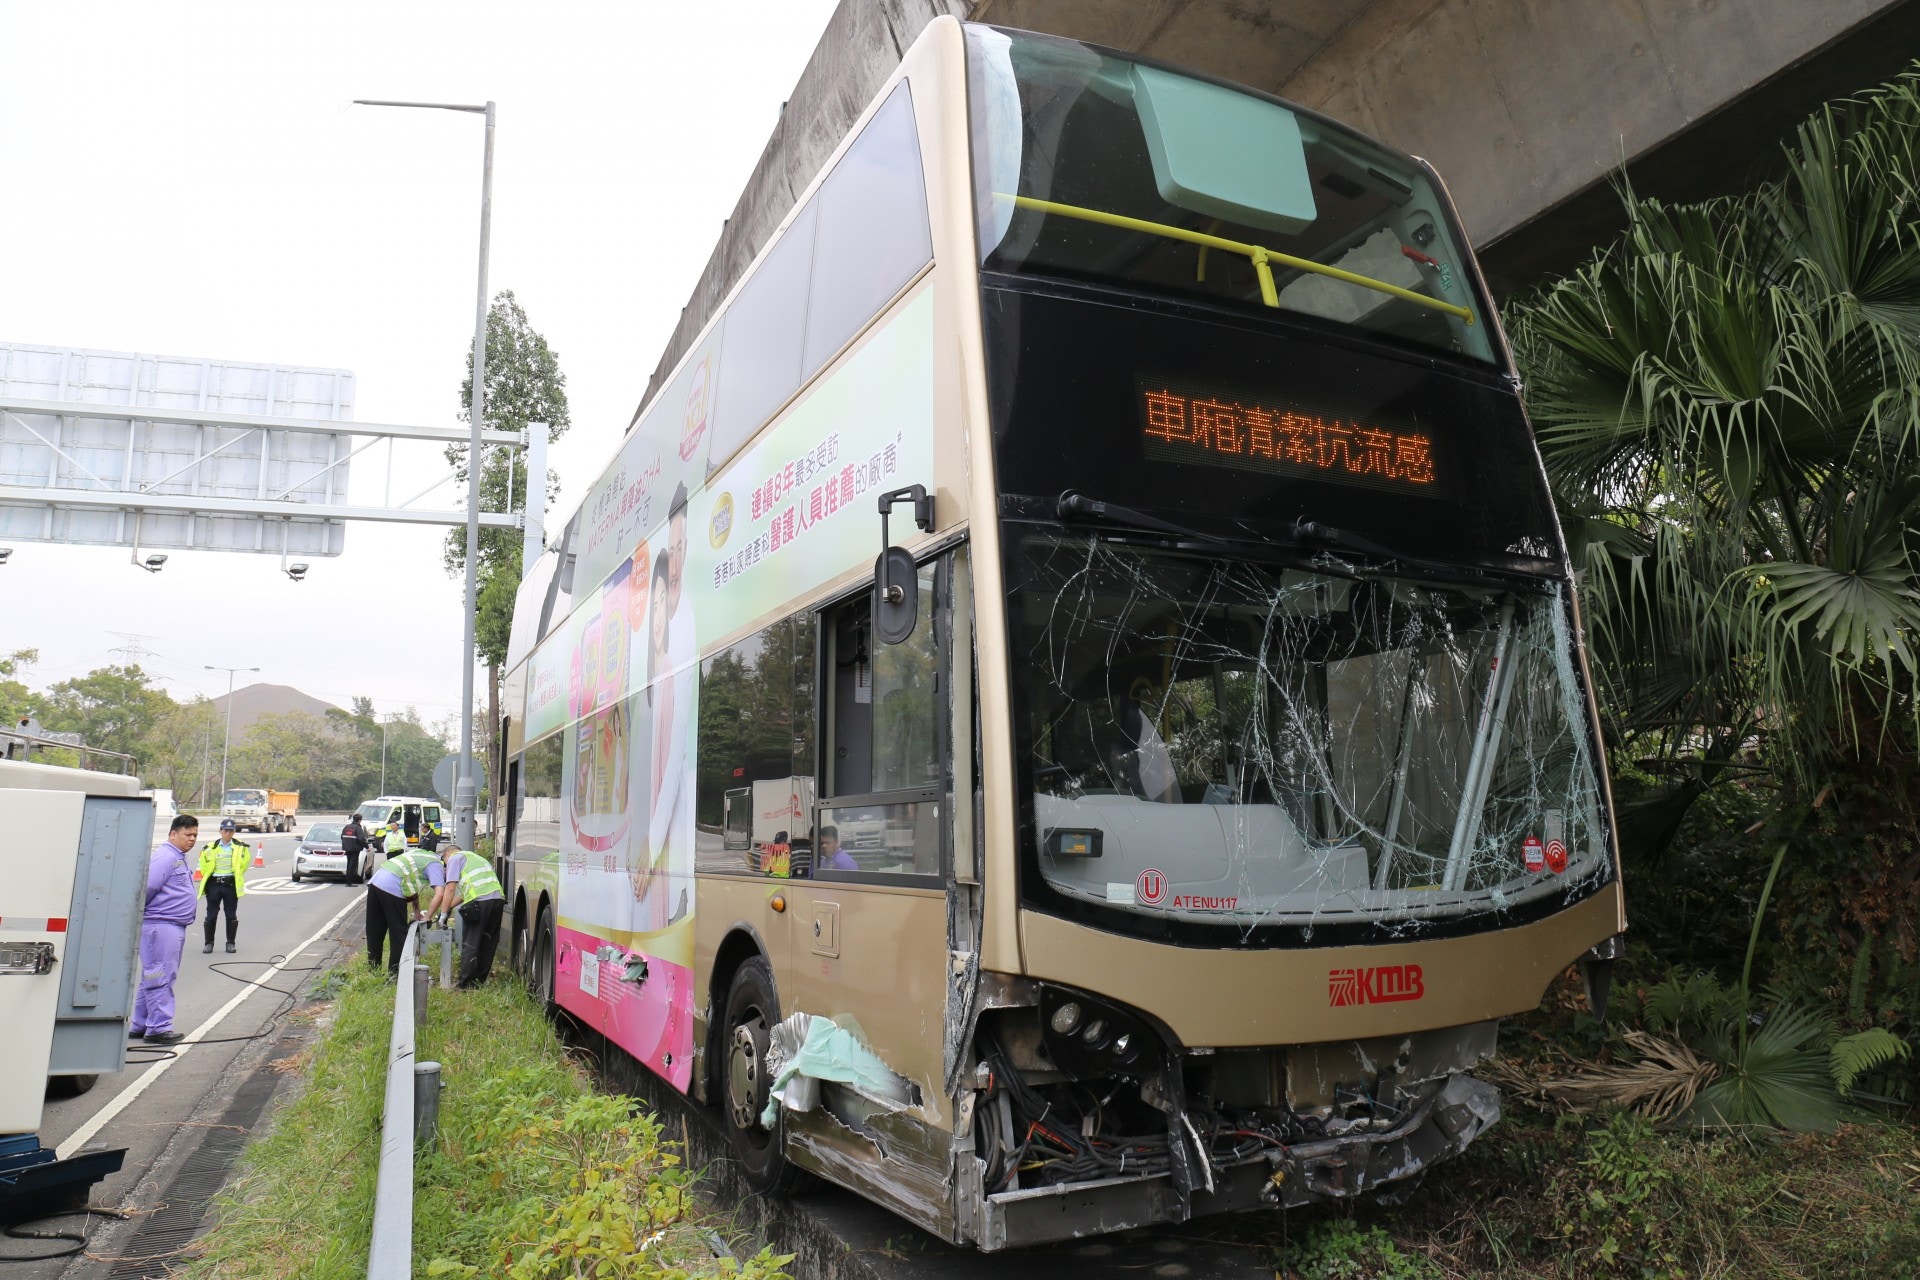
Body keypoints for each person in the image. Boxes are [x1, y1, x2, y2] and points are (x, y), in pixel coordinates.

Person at [132, 815, 198, 1044]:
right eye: (187, 834)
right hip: (161, 925)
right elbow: (149, 887)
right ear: (173, 834)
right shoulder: (165, 857)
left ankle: (141, 1023)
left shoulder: (178, 857)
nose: (192, 839)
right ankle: (159, 1027)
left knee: (152, 974)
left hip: (170, 925)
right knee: (160, 975)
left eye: (194, 835)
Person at [428, 845, 505, 988]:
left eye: (444, 863)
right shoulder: (478, 858)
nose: (446, 867)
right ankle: (479, 981)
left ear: (446, 855)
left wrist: (444, 914)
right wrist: (449, 906)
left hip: (479, 903)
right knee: (488, 941)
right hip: (497, 900)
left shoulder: (454, 859)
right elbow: (465, 893)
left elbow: (450, 888)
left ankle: (465, 984)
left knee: (471, 942)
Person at [365, 845, 444, 976]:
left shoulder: (421, 854)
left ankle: (373, 971)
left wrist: (417, 914)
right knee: (398, 934)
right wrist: (428, 916)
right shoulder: (436, 865)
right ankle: (395, 974)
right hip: (392, 886)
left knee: (375, 930)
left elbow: (411, 888)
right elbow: (440, 893)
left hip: (376, 881)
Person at [196, 818, 248, 954]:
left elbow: (244, 863)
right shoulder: (211, 847)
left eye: (231, 831)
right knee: (211, 915)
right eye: (225, 830)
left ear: (234, 831)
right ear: (220, 831)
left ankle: (230, 943)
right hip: (214, 885)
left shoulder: (240, 847)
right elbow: (203, 865)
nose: (228, 833)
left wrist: (234, 875)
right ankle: (209, 943)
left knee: (231, 915)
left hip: (230, 885)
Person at [340, 812, 366, 886]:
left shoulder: (347, 827)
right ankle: (349, 882)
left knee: (349, 865)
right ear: (359, 820)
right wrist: (367, 847)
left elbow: (342, 837)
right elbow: (361, 839)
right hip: (355, 849)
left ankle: (348, 881)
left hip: (347, 848)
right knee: (353, 866)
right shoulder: (358, 828)